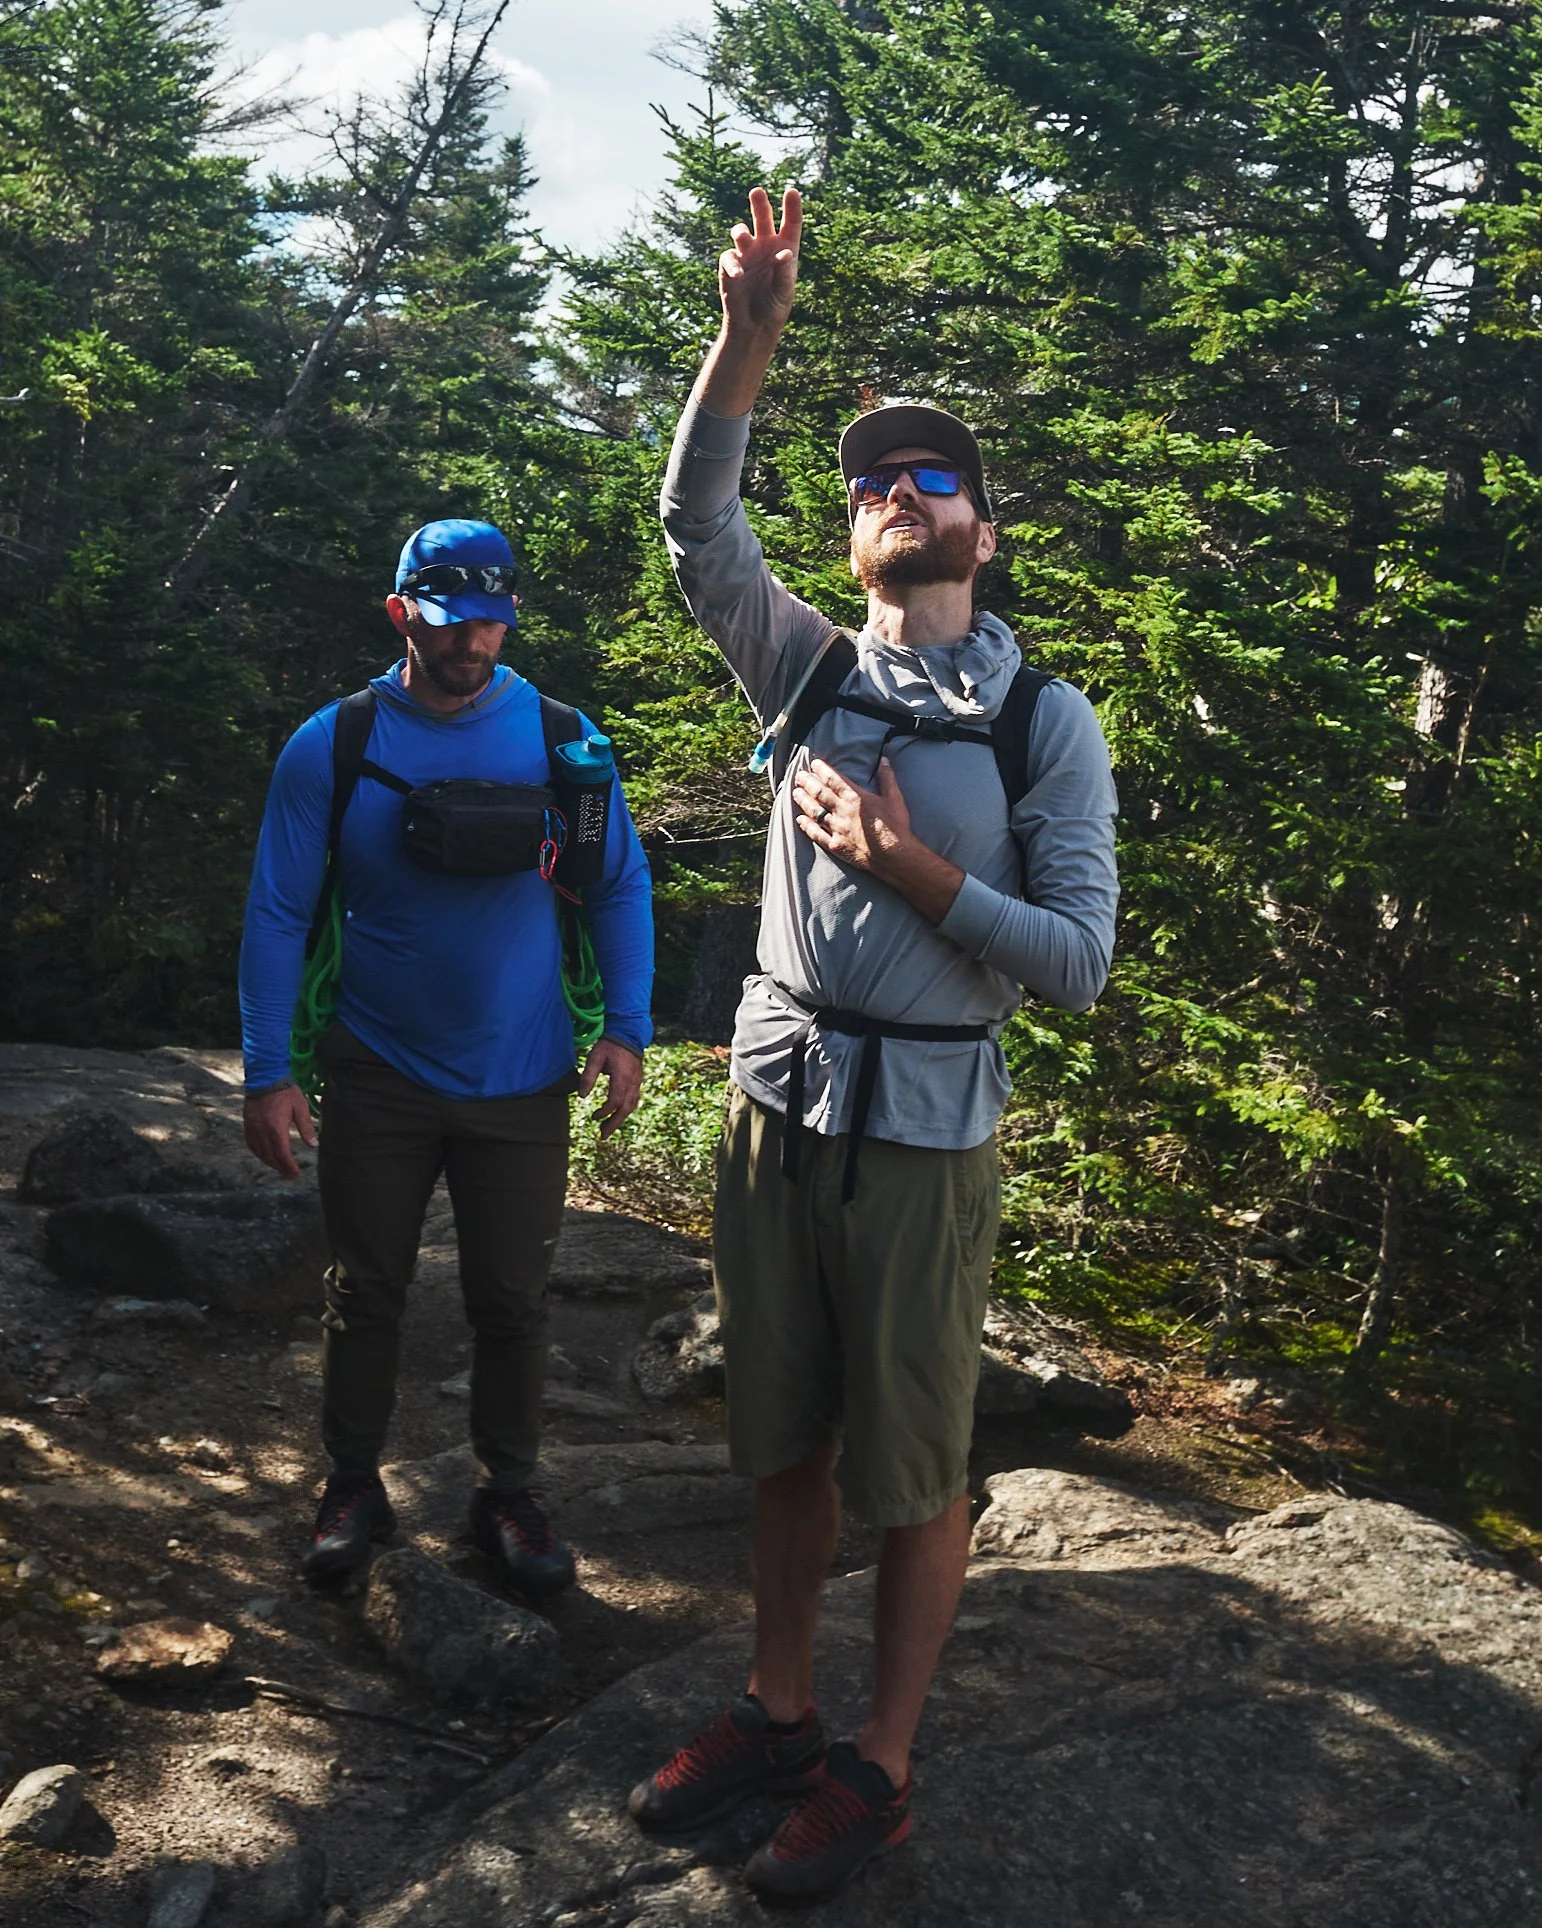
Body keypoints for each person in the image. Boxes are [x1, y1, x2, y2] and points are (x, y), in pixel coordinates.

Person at [629, 188, 1119, 1901]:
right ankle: (777, 1709)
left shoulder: (1043, 721)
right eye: (868, 484)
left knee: (915, 1469)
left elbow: (1078, 964)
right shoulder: (806, 667)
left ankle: (881, 1766)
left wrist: (914, 872)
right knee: (782, 1436)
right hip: (776, 1107)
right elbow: (694, 523)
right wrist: (745, 335)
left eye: (928, 478)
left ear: (982, 527)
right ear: (849, 540)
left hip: (921, 1134)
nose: (895, 493)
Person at [239, 517, 653, 1593]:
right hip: (375, 1068)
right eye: (449, 618)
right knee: (365, 1288)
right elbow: (278, 910)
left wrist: (626, 1027)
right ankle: (351, 1481)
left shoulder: (564, 740)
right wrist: (268, 1071)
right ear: (400, 615)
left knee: (512, 1300)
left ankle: (507, 1492)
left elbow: (618, 885)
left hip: (524, 1073)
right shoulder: (333, 744)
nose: (472, 639)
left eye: (491, 619)